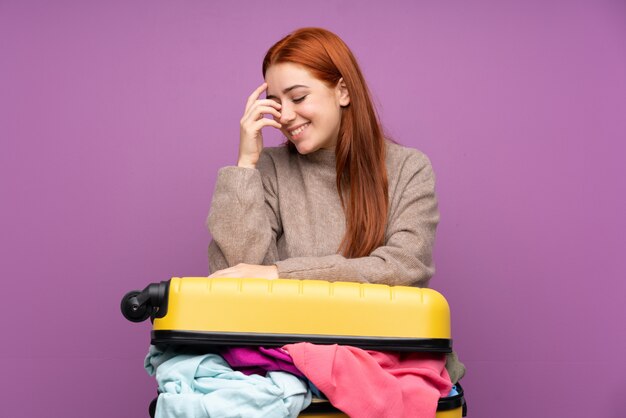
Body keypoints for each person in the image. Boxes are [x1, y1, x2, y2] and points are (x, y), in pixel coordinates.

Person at [206, 27, 465, 383]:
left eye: (298, 97)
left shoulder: (409, 168)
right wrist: (245, 166)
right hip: (282, 355)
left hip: (384, 351)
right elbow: (236, 279)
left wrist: (282, 274)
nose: (285, 115)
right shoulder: (269, 168)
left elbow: (404, 267)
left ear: (342, 91)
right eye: (276, 102)